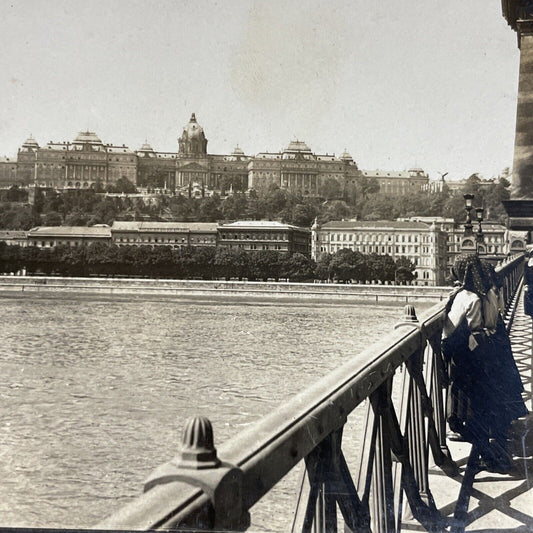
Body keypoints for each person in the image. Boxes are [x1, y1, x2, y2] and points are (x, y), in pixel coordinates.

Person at [442, 253, 528, 473]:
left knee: (476, 408)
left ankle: (487, 456)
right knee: (494, 404)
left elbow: (448, 330)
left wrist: (451, 300)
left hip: (475, 358)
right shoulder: (490, 291)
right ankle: (500, 454)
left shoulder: (465, 297)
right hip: (494, 352)